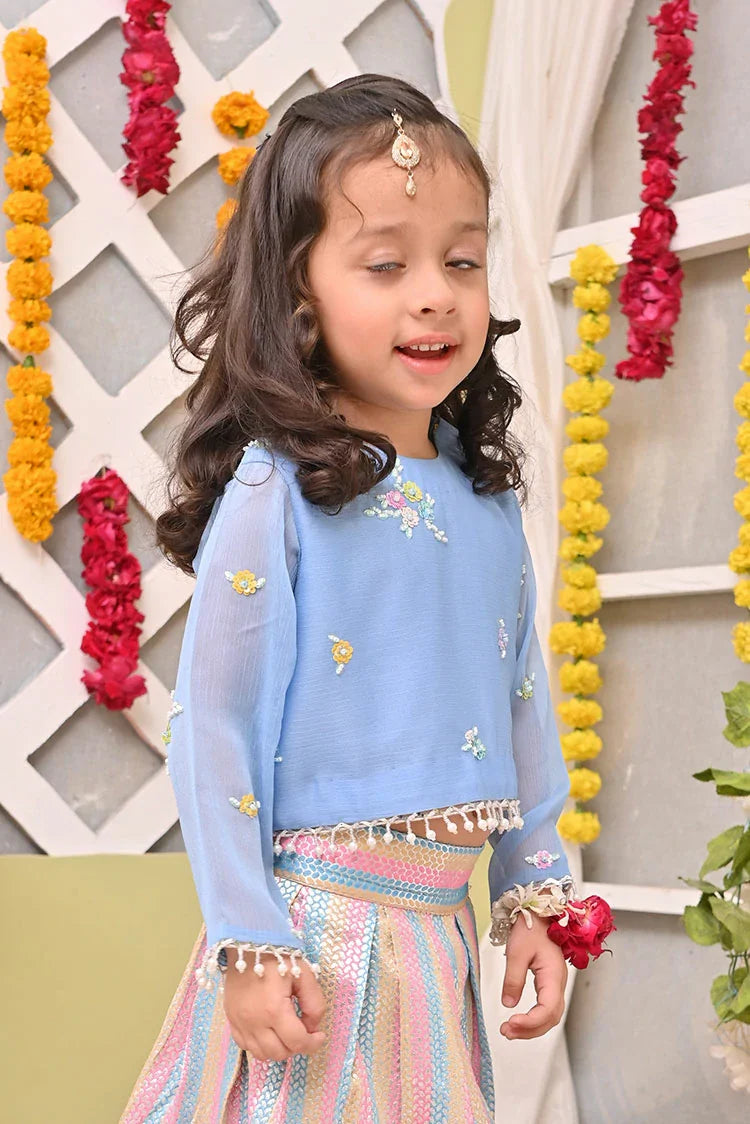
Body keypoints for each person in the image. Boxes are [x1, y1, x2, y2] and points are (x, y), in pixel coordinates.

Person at [120, 72, 585, 1123]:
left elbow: (520, 707)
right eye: (386, 264)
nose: (436, 295)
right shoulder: (275, 491)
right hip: (314, 947)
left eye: (461, 260)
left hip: (439, 942)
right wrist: (249, 937)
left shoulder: (487, 500)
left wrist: (533, 894)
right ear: (299, 292)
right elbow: (216, 727)